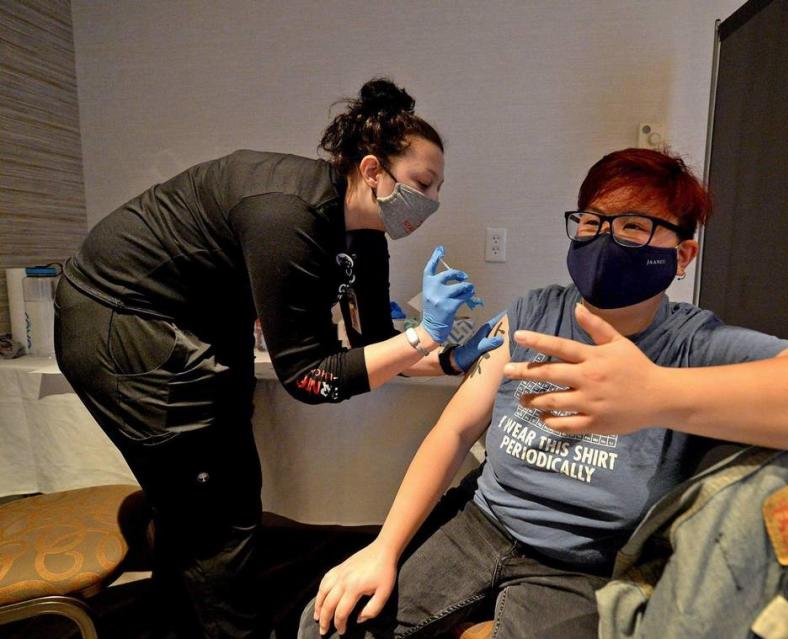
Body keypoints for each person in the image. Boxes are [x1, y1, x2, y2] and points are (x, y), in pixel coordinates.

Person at [298, 148, 788, 638]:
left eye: (635, 226)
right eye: (593, 220)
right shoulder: (531, 311)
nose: (606, 238)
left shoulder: (694, 345)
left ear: (683, 254)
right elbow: (453, 431)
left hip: (582, 566)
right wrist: (382, 548)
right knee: (326, 620)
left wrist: (658, 393)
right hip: (482, 525)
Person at [54, 78, 502, 639]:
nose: (431, 203)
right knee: (219, 513)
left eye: (438, 189)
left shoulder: (363, 235)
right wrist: (424, 336)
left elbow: (373, 349)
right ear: (371, 171)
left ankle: (177, 618)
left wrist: (450, 355)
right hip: (120, 321)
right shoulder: (287, 215)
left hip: (198, 322)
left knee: (207, 494)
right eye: (422, 184)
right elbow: (309, 378)